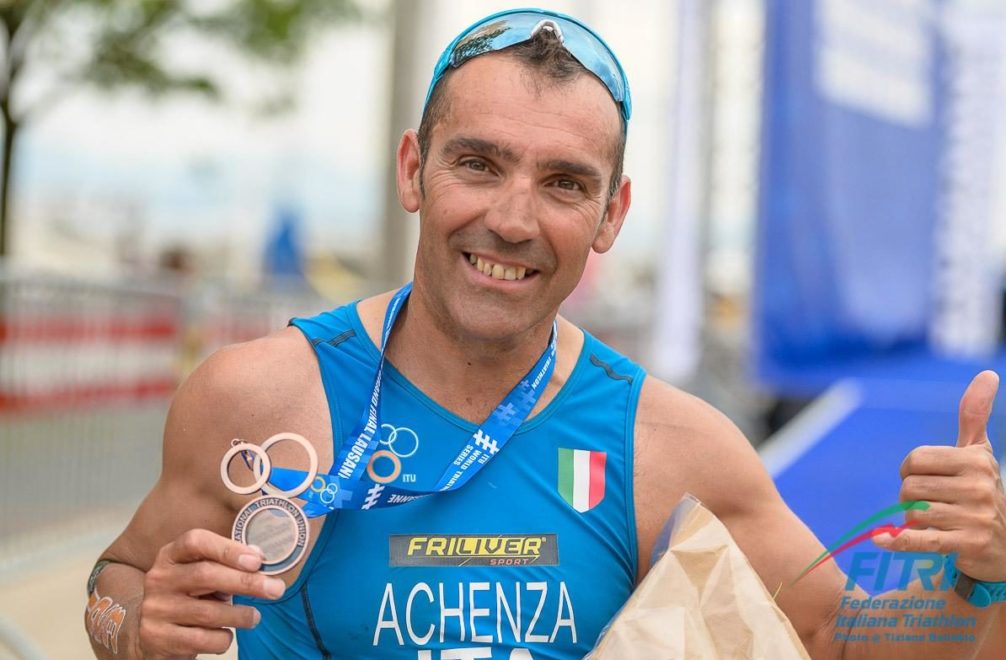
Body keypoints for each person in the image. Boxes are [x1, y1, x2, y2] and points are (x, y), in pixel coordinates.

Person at [85, 8, 1006, 659]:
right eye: (478, 164)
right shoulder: (258, 397)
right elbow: (117, 579)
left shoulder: (669, 446)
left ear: (612, 215)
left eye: (565, 183)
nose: (513, 219)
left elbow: (842, 641)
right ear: (413, 169)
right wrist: (136, 633)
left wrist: (978, 575)